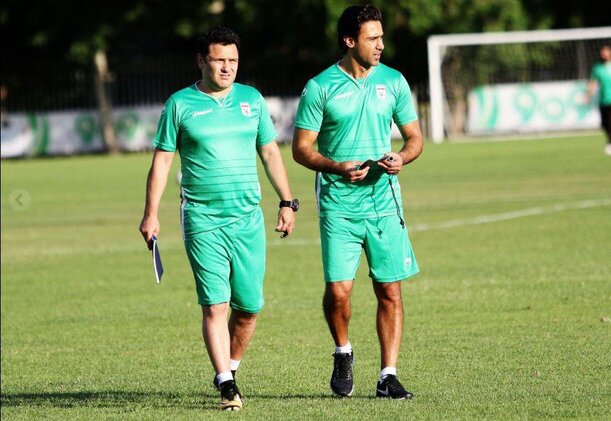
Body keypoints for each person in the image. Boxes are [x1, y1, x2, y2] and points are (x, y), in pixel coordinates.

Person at [139, 26, 298, 411]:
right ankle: (227, 384)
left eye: (233, 60)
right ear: (201, 60)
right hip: (202, 217)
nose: (227, 67)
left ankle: (229, 368)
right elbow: (162, 162)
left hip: (248, 219)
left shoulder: (252, 100)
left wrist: (287, 201)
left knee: (249, 308)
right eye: (219, 60)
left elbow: (270, 153)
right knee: (215, 304)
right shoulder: (180, 104)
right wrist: (151, 213)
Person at [292, 4, 423, 400]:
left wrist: (401, 157)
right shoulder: (320, 87)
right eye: (372, 38)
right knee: (339, 292)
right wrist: (336, 166)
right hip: (338, 205)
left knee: (390, 291)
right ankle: (343, 351)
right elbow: (301, 149)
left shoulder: (394, 81)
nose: (381, 45)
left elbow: (415, 139)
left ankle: (388, 376)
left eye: (382, 37)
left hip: (384, 203)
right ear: (350, 41)